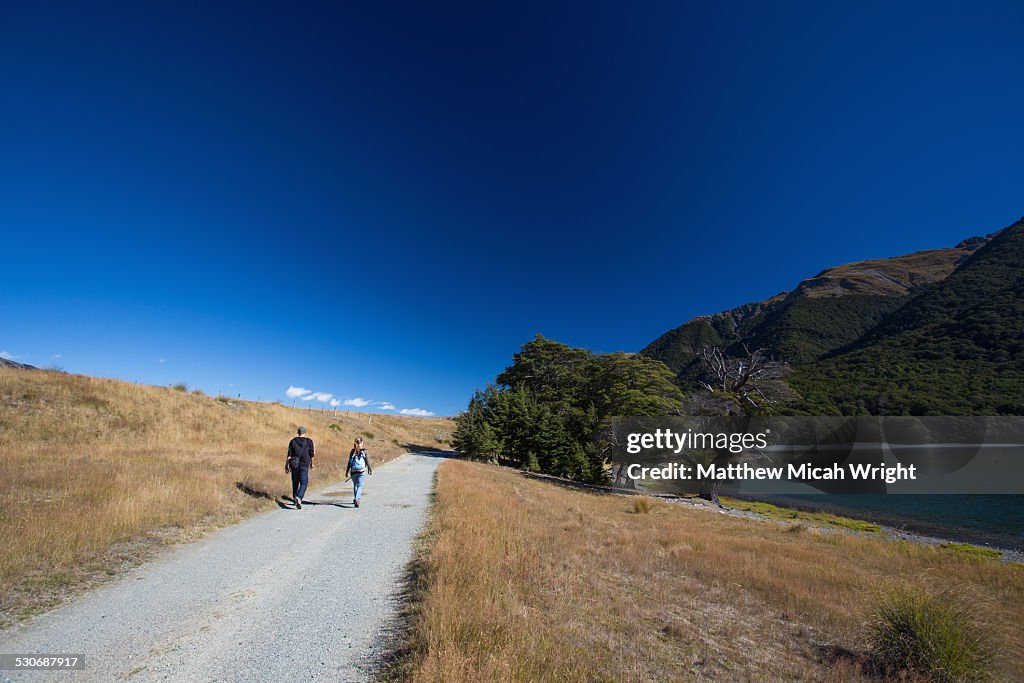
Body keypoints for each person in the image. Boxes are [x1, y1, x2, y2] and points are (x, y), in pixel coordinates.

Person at [285, 426, 315, 509]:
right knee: (304, 482)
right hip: (304, 465)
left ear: (298, 433)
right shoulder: (309, 441)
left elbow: (289, 455)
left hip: (294, 464)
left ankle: (295, 498)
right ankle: (299, 497)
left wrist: (286, 465)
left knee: (295, 482)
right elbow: (311, 454)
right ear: (305, 433)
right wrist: (312, 463)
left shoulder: (292, 441)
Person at [345, 437, 373, 508]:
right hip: (361, 471)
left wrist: (347, 471)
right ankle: (357, 499)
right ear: (362, 443)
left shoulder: (352, 451)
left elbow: (349, 462)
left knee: (355, 485)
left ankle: (356, 498)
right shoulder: (365, 451)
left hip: (353, 471)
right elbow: (367, 461)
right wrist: (370, 469)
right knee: (360, 485)